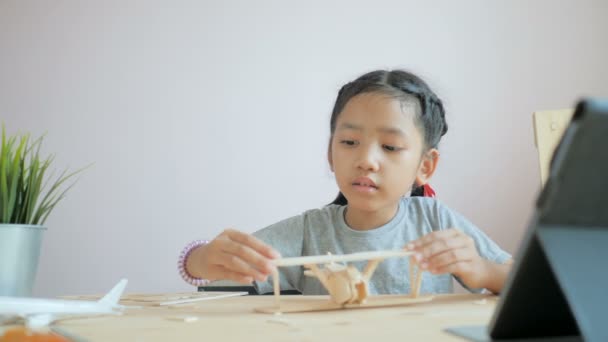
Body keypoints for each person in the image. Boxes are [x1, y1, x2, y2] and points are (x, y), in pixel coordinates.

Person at [178, 70, 512, 295]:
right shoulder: (309, 232)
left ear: (425, 166)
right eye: (349, 142)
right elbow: (217, 273)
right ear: (330, 153)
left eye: (391, 147)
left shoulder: (435, 220)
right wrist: (202, 260)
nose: (366, 160)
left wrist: (484, 271)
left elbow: (522, 283)